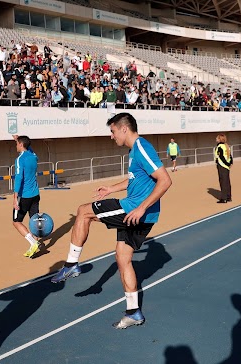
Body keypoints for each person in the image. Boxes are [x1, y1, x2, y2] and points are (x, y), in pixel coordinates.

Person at [50, 113, 172, 330]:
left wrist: (141, 207)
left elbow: (165, 180)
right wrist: (111, 188)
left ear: (124, 129)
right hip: (141, 213)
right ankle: (133, 312)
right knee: (123, 259)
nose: (111, 136)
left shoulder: (142, 147)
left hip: (134, 210)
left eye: (113, 131)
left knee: (83, 212)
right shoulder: (135, 151)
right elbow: (137, 178)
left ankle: (71, 264)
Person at [11, 135, 41, 258]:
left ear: (21, 145)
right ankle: (35, 243)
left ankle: (33, 243)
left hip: (24, 196)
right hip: (35, 194)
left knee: (16, 222)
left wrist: (14, 199)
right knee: (34, 220)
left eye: (17, 143)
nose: (16, 145)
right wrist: (18, 139)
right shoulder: (34, 157)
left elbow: (18, 178)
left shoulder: (20, 159)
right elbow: (31, 150)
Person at [215, 134, 233, 203]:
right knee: (227, 181)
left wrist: (227, 164)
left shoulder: (219, 146)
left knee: (223, 182)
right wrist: (230, 163)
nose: (216, 139)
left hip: (222, 165)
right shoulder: (227, 146)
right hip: (227, 166)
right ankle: (228, 197)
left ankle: (224, 198)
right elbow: (230, 156)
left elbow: (221, 157)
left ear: (220, 139)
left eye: (217, 138)